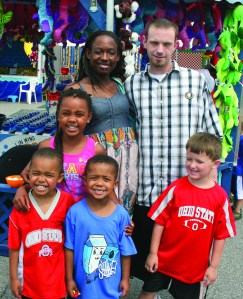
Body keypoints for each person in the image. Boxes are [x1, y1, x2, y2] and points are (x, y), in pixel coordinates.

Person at [124, 18, 223, 289]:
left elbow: (213, 132)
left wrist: (211, 180)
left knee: (188, 261)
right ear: (144, 43)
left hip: (187, 190)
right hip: (148, 190)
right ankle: (152, 290)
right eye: (154, 43)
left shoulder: (195, 79)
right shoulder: (132, 84)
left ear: (176, 45)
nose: (160, 50)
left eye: (167, 44)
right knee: (147, 259)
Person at [140, 132, 236, 299]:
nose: (192, 165)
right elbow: (159, 222)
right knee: (147, 293)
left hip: (194, 270)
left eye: (199, 161)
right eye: (189, 159)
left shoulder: (220, 197)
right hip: (163, 261)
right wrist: (153, 253)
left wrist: (213, 267)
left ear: (215, 164)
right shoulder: (176, 188)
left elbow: (221, 236)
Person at [65, 30, 138, 216]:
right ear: (88, 53)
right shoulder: (75, 89)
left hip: (128, 160)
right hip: (96, 161)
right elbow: (61, 135)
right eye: (99, 51)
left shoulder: (120, 84)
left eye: (111, 52)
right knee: (99, 214)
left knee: (125, 215)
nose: (105, 57)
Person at [14, 88, 105, 209]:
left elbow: (105, 184)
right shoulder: (46, 146)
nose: (72, 119)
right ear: (58, 115)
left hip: (82, 219)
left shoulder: (96, 150)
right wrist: (22, 189)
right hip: (51, 217)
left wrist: (121, 212)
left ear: (88, 117)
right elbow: (36, 180)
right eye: (66, 113)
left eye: (79, 114)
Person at [64, 154, 137, 298]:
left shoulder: (121, 215)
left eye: (106, 179)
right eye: (94, 178)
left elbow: (126, 250)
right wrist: (69, 278)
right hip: (81, 288)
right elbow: (69, 248)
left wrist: (125, 278)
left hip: (111, 289)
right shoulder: (75, 213)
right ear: (85, 180)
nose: (99, 183)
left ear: (115, 184)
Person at [8, 148, 75, 299]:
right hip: (29, 285)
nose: (41, 179)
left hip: (58, 284)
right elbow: (13, 248)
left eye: (49, 175)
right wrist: (13, 279)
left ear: (59, 178)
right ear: (28, 174)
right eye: (36, 173)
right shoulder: (21, 205)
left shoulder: (67, 202)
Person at [231, 121, 243, 220]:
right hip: (237, 168)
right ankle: (235, 207)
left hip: (239, 170)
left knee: (239, 190)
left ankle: (238, 211)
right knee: (236, 189)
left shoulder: (241, 139)